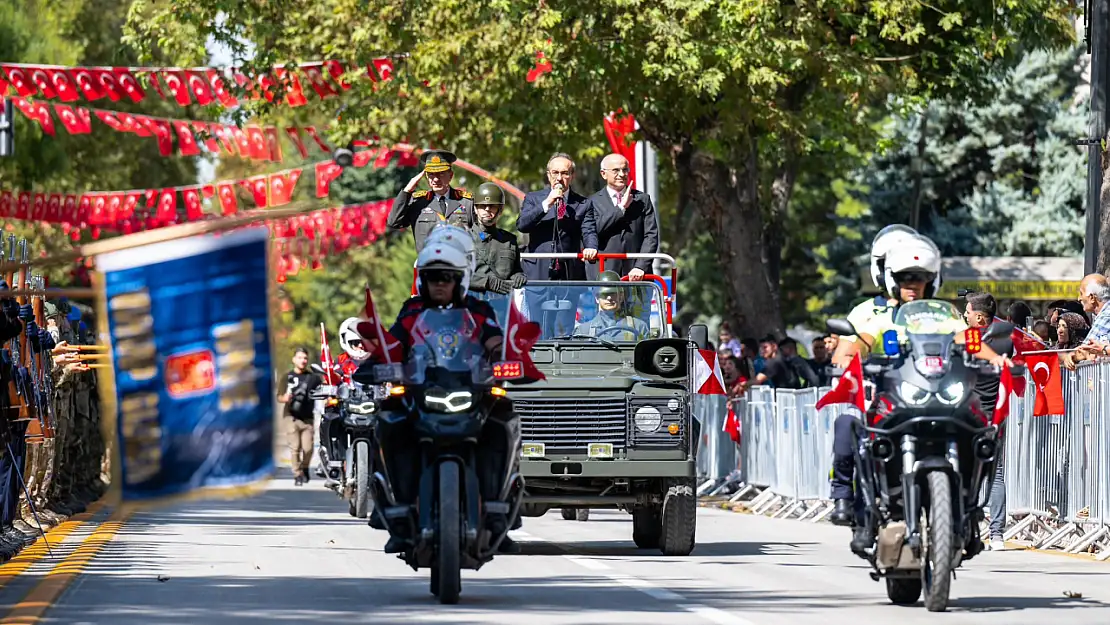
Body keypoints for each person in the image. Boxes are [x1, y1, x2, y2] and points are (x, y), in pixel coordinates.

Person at [831, 235, 1012, 553]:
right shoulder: (883, 319)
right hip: (896, 398)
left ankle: (970, 510)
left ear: (932, 282)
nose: (912, 285)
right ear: (893, 281)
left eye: (920, 279)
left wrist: (994, 359)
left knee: (983, 434)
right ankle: (855, 508)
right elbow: (852, 348)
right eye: (905, 279)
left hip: (941, 396)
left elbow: (970, 342)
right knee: (852, 427)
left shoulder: (948, 318)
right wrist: (847, 360)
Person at [369, 232, 520, 555]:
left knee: (502, 423)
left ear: (460, 279)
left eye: (447, 278)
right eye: (432, 278)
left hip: (471, 390)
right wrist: (376, 362)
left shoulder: (479, 310)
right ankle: (394, 513)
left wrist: (506, 356)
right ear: (422, 280)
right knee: (387, 423)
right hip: (421, 389)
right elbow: (392, 345)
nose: (439, 284)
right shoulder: (411, 311)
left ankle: (498, 514)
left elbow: (494, 341)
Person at [964, 291, 1016, 551]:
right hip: (995, 414)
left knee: (966, 470)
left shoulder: (974, 339)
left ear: (980, 317)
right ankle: (996, 533)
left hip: (972, 416)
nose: (965, 316)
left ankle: (974, 526)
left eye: (969, 312)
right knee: (995, 473)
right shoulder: (1007, 338)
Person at [517, 153, 595, 281]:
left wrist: (591, 247)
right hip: (538, 271)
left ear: (572, 176)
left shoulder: (583, 203)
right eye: (555, 173)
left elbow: (589, 231)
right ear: (548, 175)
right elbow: (522, 225)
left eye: (565, 173)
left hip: (569, 272)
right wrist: (546, 203)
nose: (559, 178)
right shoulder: (533, 198)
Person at [583, 153, 660, 281]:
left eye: (625, 170)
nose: (621, 174)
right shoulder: (592, 202)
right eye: (615, 170)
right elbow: (593, 231)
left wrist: (641, 266)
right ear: (603, 174)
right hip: (604, 273)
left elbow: (651, 236)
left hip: (636, 275)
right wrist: (620, 209)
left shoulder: (642, 199)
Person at [387, 149, 475, 252]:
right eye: (431, 174)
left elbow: (480, 237)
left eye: (441, 174)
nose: (436, 179)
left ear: (450, 175)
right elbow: (394, 222)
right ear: (426, 176)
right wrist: (407, 191)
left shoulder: (466, 202)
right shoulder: (418, 203)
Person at [469, 182, 527, 298]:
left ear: (500, 210)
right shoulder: (463, 238)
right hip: (473, 301)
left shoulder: (509, 240)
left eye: (492, 206)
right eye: (482, 206)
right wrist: (485, 282)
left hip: (502, 302)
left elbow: (515, 270)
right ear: (475, 209)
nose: (487, 209)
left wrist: (518, 276)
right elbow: (455, 274)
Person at [277, 348, 322, 486]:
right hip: (291, 416)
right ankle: (297, 474)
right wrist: (285, 398)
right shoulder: (287, 377)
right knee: (295, 447)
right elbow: (279, 396)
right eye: (300, 357)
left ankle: (305, 467)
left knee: (308, 448)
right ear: (294, 359)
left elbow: (323, 390)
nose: (303, 361)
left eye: (305, 358)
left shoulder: (313, 377)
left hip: (307, 417)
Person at [573, 271, 650, 341]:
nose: (609, 298)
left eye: (613, 293)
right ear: (597, 298)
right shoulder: (583, 331)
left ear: (621, 296)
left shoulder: (639, 327)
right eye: (604, 294)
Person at [744, 337, 818, 389]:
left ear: (774, 346)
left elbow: (758, 380)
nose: (762, 351)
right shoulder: (786, 360)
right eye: (760, 348)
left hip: (786, 400)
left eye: (765, 347)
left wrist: (742, 386)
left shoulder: (774, 362)